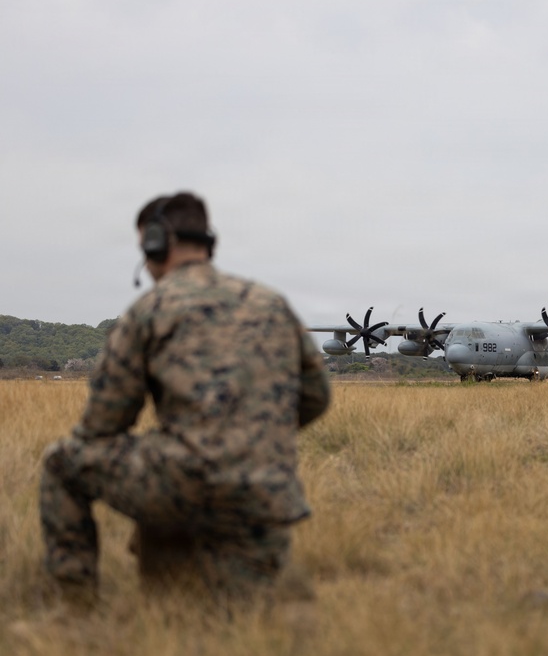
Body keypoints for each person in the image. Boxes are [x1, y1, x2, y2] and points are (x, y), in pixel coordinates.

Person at [39, 191, 331, 606]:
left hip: (184, 484)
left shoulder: (149, 309)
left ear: (157, 242)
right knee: (248, 611)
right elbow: (317, 396)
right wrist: (249, 436)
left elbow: (101, 427)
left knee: (62, 462)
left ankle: (76, 613)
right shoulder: (272, 304)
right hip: (268, 493)